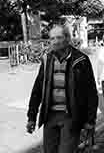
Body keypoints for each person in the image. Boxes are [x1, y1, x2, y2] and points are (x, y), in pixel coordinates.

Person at [26, 25, 99, 153]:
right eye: (52, 38)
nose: (55, 41)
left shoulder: (81, 60)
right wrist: (31, 117)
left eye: (59, 37)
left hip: (70, 116)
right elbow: (37, 89)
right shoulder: (46, 60)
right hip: (50, 116)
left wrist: (90, 120)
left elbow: (91, 92)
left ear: (67, 38)